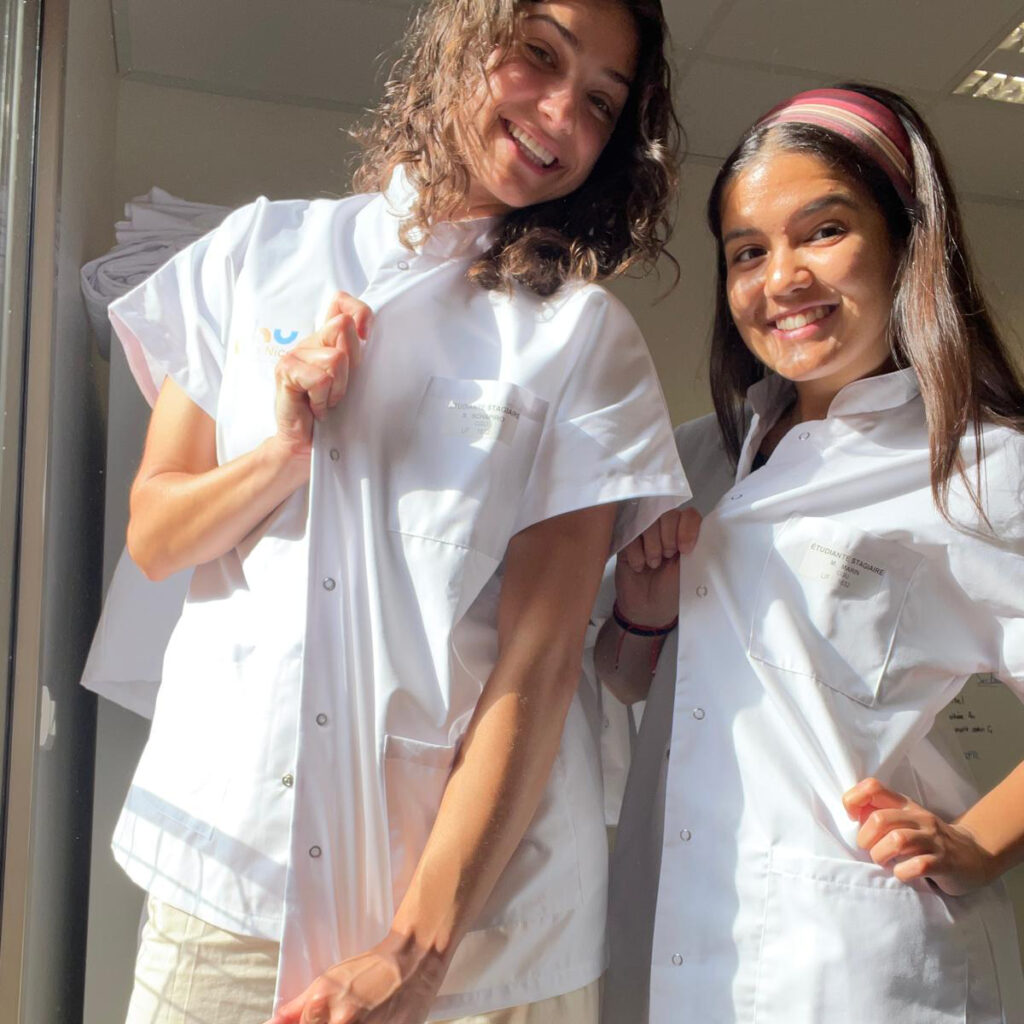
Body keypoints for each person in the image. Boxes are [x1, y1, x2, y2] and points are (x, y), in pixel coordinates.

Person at [108, 2, 689, 1022]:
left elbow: (540, 667)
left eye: (600, 100)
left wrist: (414, 950)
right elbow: (156, 535)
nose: (560, 112)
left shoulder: (579, 339)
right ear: (460, 41)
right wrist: (286, 450)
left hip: (481, 939)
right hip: (230, 878)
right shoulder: (256, 252)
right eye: (537, 56)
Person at [597, 85, 1024, 1023]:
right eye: (748, 251)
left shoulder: (981, 468)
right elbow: (627, 679)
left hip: (845, 968)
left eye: (822, 231)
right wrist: (640, 608)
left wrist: (983, 841)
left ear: (909, 242)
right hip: (663, 935)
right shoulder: (697, 455)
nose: (780, 277)